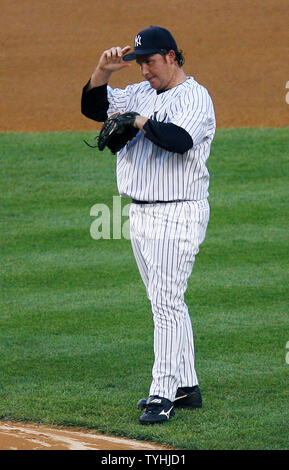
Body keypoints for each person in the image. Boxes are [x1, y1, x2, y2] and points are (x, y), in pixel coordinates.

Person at [81, 26, 216, 425]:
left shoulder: (195, 96)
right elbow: (93, 109)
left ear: (172, 57)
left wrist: (139, 121)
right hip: (139, 211)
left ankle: (163, 392)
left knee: (167, 303)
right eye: (139, 63)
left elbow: (179, 140)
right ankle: (187, 387)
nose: (144, 71)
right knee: (164, 300)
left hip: (178, 211)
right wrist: (102, 73)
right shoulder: (139, 91)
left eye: (150, 62)